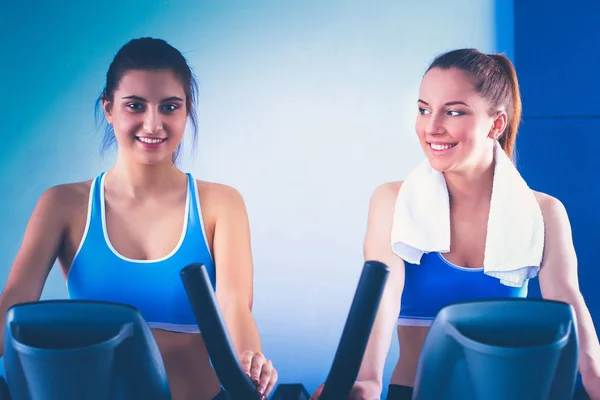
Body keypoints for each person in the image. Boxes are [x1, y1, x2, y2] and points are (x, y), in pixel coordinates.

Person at [311, 48, 600, 400]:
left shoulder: (544, 211)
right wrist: (368, 378)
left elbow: (568, 304)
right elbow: (382, 296)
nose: (431, 127)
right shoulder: (392, 201)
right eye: (423, 109)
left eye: (453, 111)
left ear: (496, 124)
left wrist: (596, 378)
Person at [0, 37, 277, 400]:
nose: (152, 124)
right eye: (135, 105)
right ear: (109, 109)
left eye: (169, 107)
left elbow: (235, 304)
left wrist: (248, 359)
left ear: (186, 111)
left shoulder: (220, 203)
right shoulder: (63, 204)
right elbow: (14, 304)